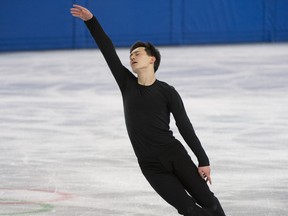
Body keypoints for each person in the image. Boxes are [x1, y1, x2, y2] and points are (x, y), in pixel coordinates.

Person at [70, 4, 226, 216]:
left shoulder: (167, 92)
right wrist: (91, 21)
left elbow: (185, 126)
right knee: (188, 209)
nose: (132, 57)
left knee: (209, 202)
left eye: (138, 53)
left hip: (175, 155)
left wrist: (203, 159)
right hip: (150, 165)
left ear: (152, 59)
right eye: (131, 55)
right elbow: (107, 49)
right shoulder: (127, 84)